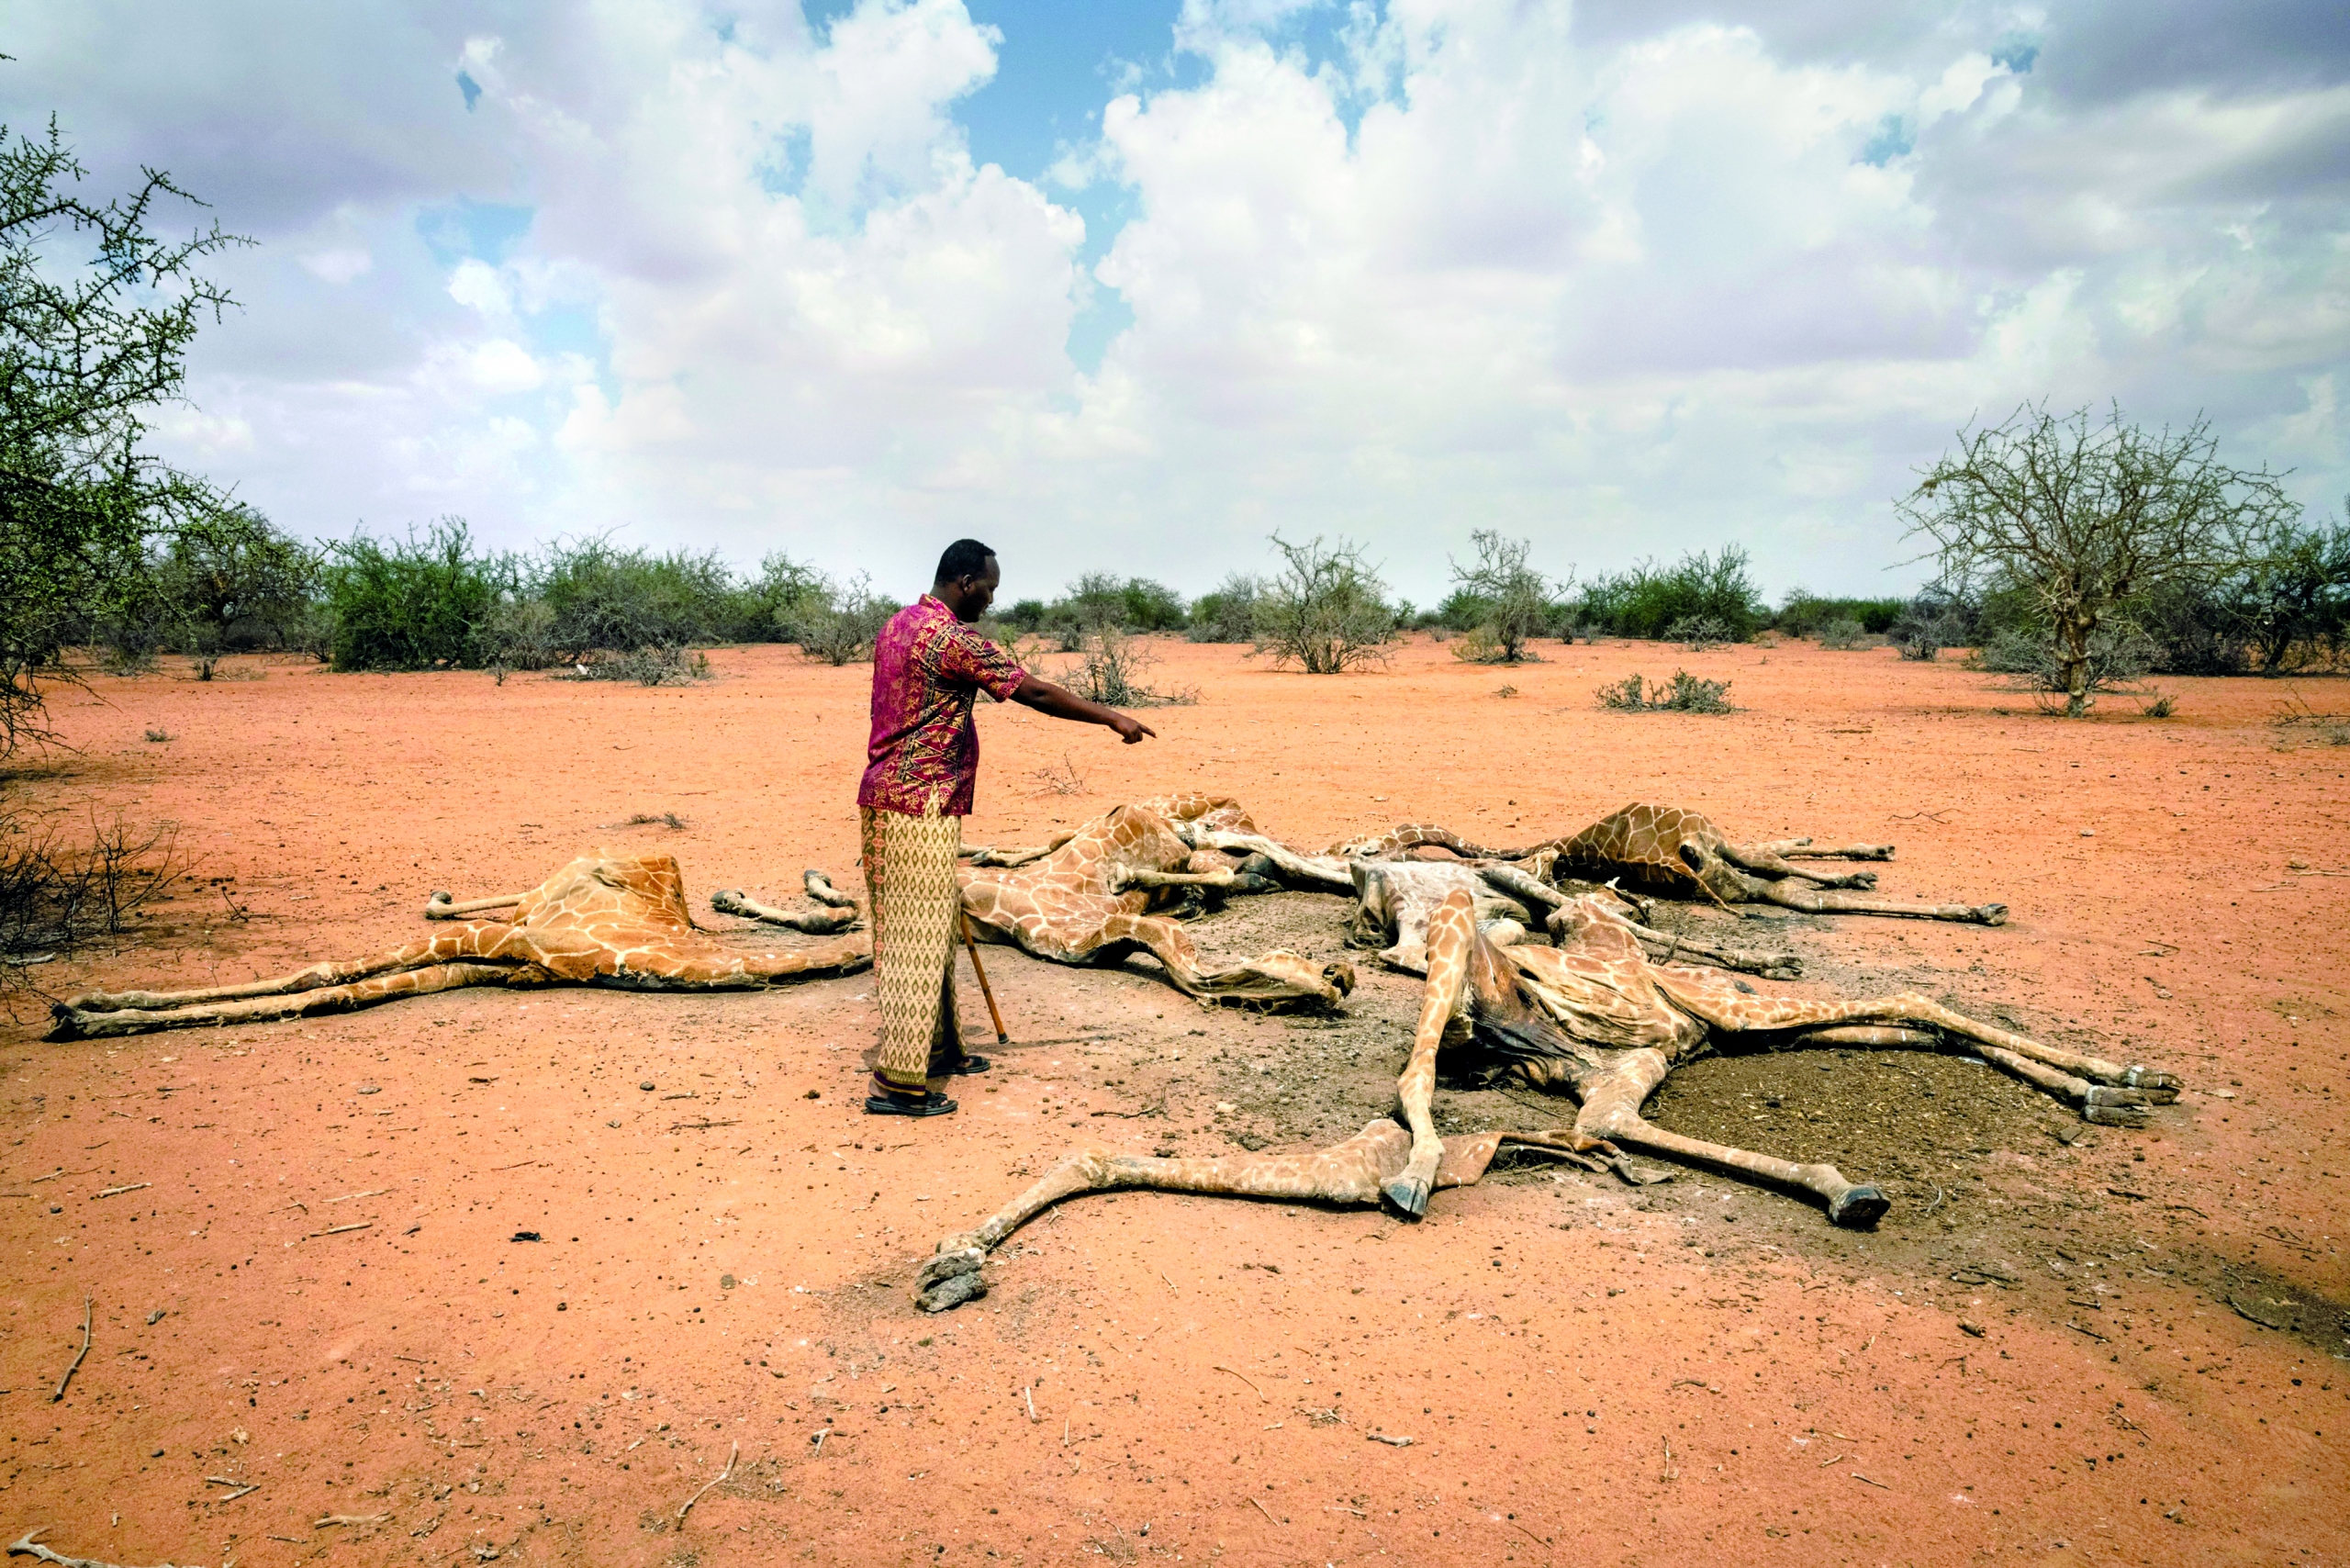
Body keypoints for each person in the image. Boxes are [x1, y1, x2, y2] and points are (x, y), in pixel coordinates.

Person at [859, 538, 1155, 1117]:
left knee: (930, 927)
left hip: (890, 796)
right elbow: (1034, 692)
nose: (991, 601)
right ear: (966, 582)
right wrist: (1111, 717)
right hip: (917, 803)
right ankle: (896, 1084)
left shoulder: (900, 623)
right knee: (912, 940)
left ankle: (937, 1051)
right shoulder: (951, 638)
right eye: (989, 590)